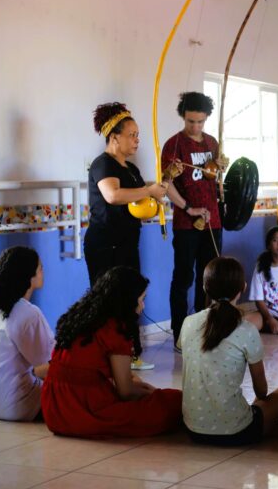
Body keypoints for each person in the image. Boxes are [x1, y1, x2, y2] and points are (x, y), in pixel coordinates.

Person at [181, 257, 278, 445]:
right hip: (238, 432)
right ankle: (263, 426)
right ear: (243, 287)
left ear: (204, 287)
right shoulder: (247, 329)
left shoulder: (188, 323)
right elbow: (261, 391)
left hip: (193, 430)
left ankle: (261, 423)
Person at [41, 267, 182, 438]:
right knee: (173, 402)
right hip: (84, 409)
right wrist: (154, 394)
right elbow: (126, 391)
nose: (142, 306)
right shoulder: (115, 328)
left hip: (53, 409)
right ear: (128, 300)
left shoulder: (78, 317)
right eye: (141, 299)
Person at [86, 102, 168, 370]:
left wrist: (157, 195)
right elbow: (113, 195)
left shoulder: (131, 169)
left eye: (138, 135)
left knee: (132, 298)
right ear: (114, 137)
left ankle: (131, 355)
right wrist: (149, 191)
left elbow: (140, 203)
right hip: (104, 244)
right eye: (131, 135)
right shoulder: (102, 164)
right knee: (106, 301)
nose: (136, 140)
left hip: (128, 243)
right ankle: (103, 356)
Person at [161, 92, 225, 349]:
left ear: (206, 118)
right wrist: (189, 208)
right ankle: (180, 333)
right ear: (183, 117)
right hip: (186, 223)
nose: (195, 127)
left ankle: (206, 330)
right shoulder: (174, 144)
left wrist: (220, 167)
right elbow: (166, 185)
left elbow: (214, 178)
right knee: (183, 278)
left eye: (200, 121)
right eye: (190, 121)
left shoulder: (212, 142)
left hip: (213, 221)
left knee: (210, 279)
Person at [0, 247, 53, 421]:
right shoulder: (29, 313)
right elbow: (50, 364)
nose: (43, 271)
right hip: (18, 406)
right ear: (28, 276)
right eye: (40, 268)